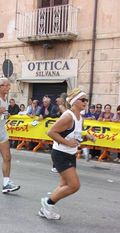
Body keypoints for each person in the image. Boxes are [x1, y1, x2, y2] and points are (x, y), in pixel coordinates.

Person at [38, 88, 95, 220]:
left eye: (86, 100)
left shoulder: (80, 117)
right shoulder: (68, 116)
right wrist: (67, 143)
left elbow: (75, 136)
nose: (86, 102)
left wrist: (86, 137)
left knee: (64, 185)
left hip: (70, 153)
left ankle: (45, 209)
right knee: (74, 186)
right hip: (60, 154)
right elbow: (51, 132)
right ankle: (47, 202)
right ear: (74, 101)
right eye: (83, 100)